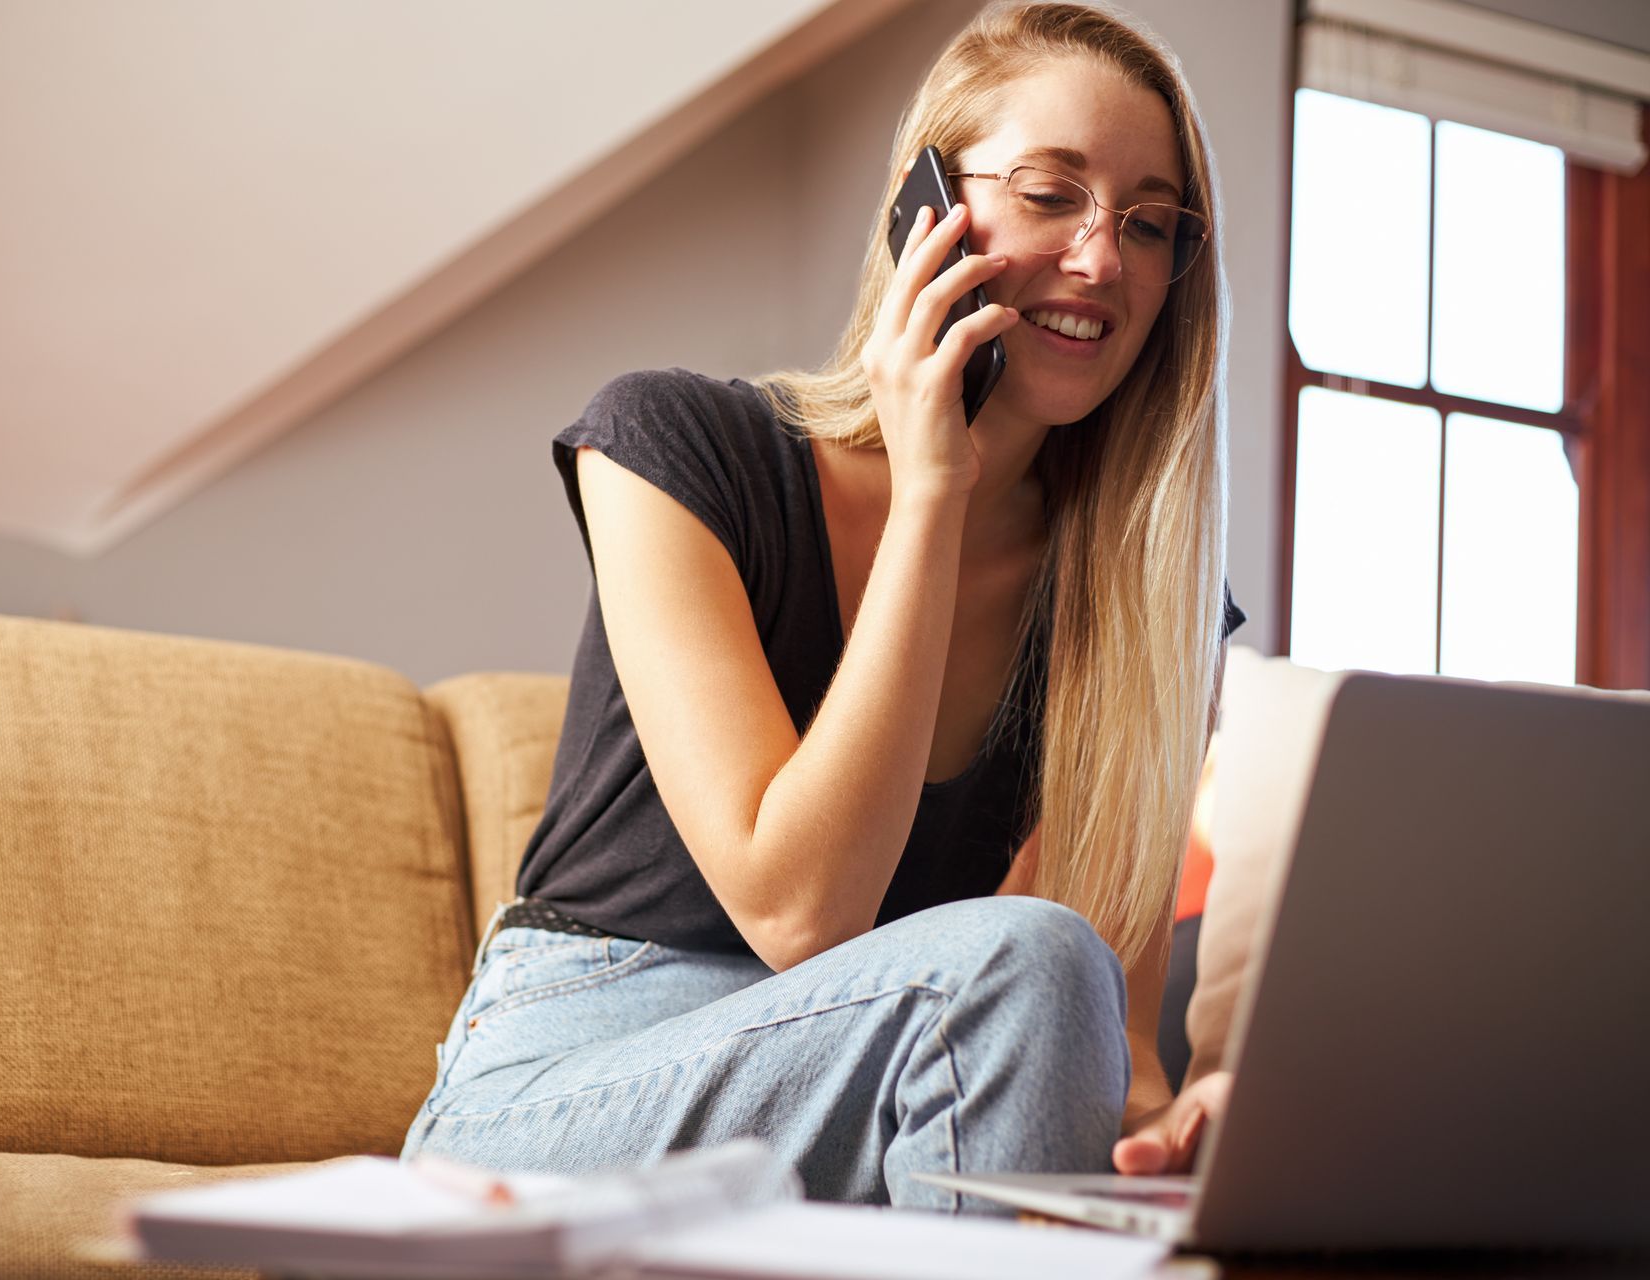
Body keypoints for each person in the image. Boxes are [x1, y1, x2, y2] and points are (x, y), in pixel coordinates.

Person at [401, 0, 1246, 1211]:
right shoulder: (669, 448)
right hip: (550, 1089)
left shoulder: (1146, 610)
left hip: (863, 1074)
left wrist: (1190, 1131)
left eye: (1150, 222)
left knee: (1049, 979)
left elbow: (1106, 1049)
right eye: (1052, 193)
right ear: (930, 211)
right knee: (1029, 963)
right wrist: (931, 498)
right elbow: (801, 907)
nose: (1103, 258)